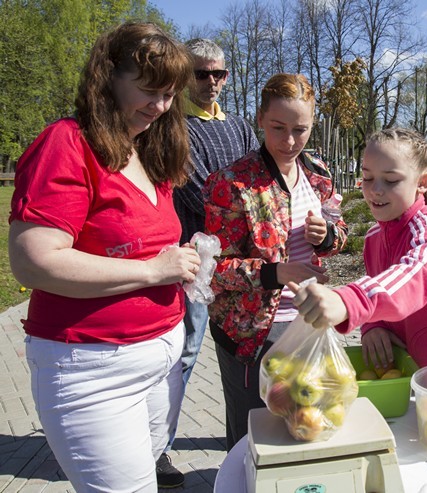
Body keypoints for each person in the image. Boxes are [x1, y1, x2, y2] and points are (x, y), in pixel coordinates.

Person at [7, 22, 200, 492]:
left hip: (158, 362)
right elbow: (34, 261)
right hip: (92, 370)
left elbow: (138, 243)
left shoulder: (143, 151)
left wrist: (179, 260)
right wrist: (155, 269)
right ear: (108, 76)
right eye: (150, 91)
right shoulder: (68, 143)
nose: (160, 107)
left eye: (170, 95)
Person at [203, 73, 347, 450]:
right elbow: (213, 269)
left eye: (300, 129)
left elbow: (339, 227)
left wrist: (328, 235)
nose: (289, 141)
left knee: (306, 427)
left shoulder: (317, 174)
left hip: (308, 323)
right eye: (277, 127)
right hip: (252, 335)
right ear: (260, 120)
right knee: (253, 439)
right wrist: (275, 273)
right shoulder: (233, 183)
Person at [290, 127, 427, 373]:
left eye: (391, 180)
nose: (375, 189)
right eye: (367, 177)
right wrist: (372, 325)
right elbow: (383, 285)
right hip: (414, 371)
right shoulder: (373, 238)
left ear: (422, 183)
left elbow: (411, 276)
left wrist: (348, 301)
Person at [162, 38, 260, 486]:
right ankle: (156, 449)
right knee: (183, 354)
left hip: (240, 262)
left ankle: (239, 443)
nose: (212, 82)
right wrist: (250, 221)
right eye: (202, 73)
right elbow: (200, 191)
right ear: (185, 77)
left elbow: (255, 179)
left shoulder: (240, 126)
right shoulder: (173, 126)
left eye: (219, 73)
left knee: (237, 355)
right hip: (198, 263)